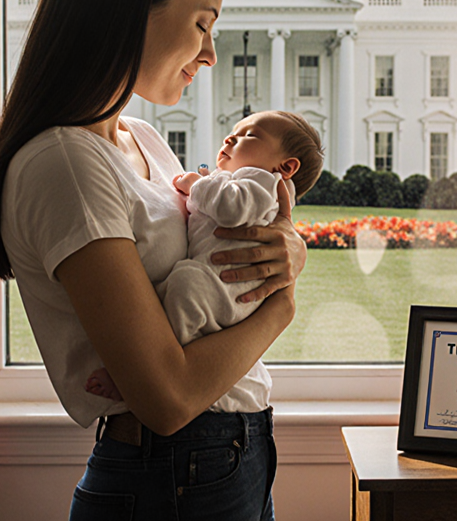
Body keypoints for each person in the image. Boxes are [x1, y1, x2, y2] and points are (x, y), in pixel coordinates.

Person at [0, 0, 306, 521]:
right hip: (176, 469)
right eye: (202, 23)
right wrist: (280, 307)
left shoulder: (142, 139)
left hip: (230, 454)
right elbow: (168, 396)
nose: (210, 53)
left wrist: (286, 246)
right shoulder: (65, 164)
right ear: (130, 9)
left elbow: (217, 244)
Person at [85, 111, 324, 412]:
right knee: (177, 289)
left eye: (249, 135)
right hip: (224, 280)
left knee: (186, 287)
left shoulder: (262, 180)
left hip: (227, 283)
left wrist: (197, 184)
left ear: (286, 166)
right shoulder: (245, 181)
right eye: (234, 131)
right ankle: (144, 370)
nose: (230, 138)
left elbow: (231, 208)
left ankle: (138, 375)